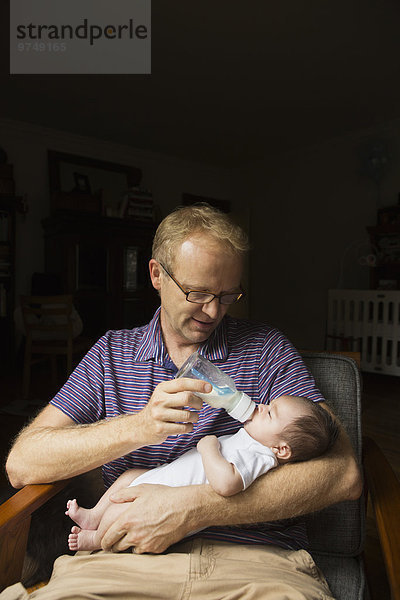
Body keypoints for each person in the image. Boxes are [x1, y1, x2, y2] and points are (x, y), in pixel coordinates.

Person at [4, 203, 362, 600]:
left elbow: (343, 473)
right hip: (122, 562)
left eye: (227, 296)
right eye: (198, 292)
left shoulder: (266, 350)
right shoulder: (110, 355)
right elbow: (23, 463)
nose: (213, 311)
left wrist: (192, 508)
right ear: (157, 274)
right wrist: (139, 426)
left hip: (256, 563)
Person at [66, 394, 339, 552]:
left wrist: (209, 447)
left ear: (281, 450)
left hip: (165, 499)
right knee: (128, 475)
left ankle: (96, 539)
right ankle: (94, 514)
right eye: (269, 404)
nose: (262, 406)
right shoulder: (253, 440)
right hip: (162, 476)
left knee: (122, 514)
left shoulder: (261, 456)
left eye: (271, 414)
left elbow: (226, 484)